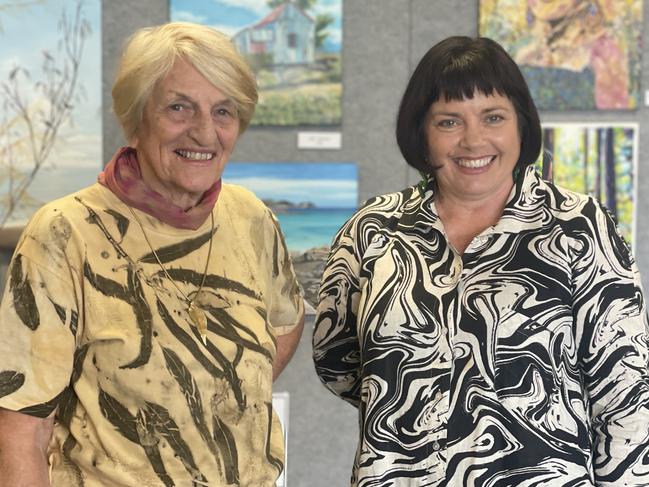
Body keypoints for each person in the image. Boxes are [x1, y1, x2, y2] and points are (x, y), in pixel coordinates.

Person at [313, 36, 649, 486]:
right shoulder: (372, 229)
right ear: (422, 133)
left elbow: (626, 394)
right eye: (449, 121)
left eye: (493, 117)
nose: (473, 140)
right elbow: (338, 361)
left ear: (521, 127)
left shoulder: (580, 226)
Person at [0, 22, 304, 487]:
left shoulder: (251, 217)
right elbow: (23, 425)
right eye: (179, 107)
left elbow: (285, 320)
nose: (204, 132)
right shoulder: (66, 232)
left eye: (223, 111)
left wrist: (215, 392)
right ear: (136, 117)